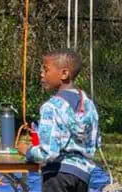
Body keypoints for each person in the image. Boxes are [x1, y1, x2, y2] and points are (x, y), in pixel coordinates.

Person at [16, 50, 100, 192]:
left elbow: (48, 153)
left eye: (46, 69)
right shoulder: (89, 105)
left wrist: (28, 151)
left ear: (64, 74)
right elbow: (95, 141)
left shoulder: (51, 107)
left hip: (57, 176)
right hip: (83, 175)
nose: (42, 74)